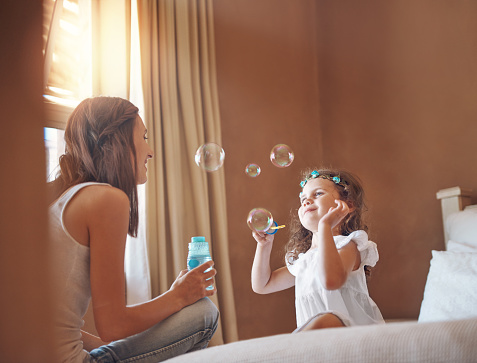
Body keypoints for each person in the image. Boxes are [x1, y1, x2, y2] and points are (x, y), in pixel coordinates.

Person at [48, 96, 219, 362]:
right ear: (119, 140)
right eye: (145, 137)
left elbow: (57, 327)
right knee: (204, 313)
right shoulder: (105, 199)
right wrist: (179, 296)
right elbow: (112, 325)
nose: (150, 151)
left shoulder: (60, 200)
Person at [251, 168, 384, 331]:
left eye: (318, 194)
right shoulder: (304, 260)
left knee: (328, 320)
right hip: (319, 341)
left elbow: (331, 281)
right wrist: (264, 246)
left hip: (351, 333)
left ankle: (289, 349)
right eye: (303, 199)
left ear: (347, 205)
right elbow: (263, 285)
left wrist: (325, 227)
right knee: (321, 323)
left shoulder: (348, 245)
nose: (307, 201)